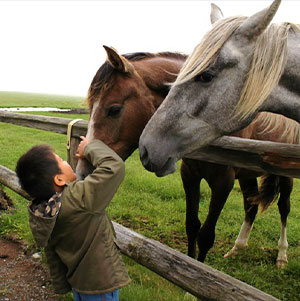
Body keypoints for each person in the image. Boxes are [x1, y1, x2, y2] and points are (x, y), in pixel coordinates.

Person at [15, 136, 130, 301]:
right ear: (59, 179)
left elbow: (52, 252)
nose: (67, 162)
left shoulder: (44, 211)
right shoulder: (79, 199)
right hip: (99, 285)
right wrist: (89, 147)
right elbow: (114, 167)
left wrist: (61, 284)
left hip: (78, 283)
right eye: (62, 160)